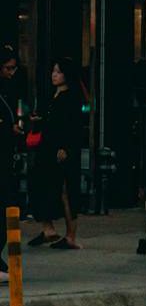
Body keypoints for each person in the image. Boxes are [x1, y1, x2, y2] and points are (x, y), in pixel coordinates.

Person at [28, 57, 86, 250]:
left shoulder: (71, 97)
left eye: (58, 72)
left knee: (65, 191)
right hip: (47, 147)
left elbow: (73, 126)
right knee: (43, 185)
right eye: (53, 71)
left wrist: (66, 147)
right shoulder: (54, 96)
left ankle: (71, 235)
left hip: (61, 149)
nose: (54, 75)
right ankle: (48, 228)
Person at [0, 47, 22, 283]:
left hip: (6, 156)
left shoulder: (9, 90)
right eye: (8, 68)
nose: (11, 73)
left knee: (8, 208)